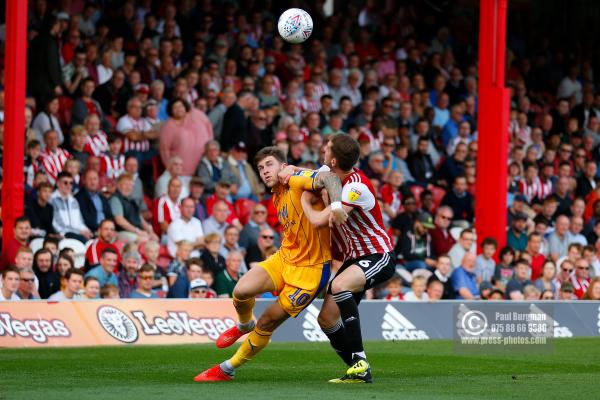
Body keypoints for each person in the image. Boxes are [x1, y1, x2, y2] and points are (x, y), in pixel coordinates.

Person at [195, 146, 343, 382]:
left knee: (267, 322)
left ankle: (227, 369)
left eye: (269, 165)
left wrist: (336, 207)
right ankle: (244, 325)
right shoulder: (276, 193)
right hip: (284, 258)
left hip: (310, 272)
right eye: (260, 168)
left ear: (283, 167)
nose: (264, 171)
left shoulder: (296, 180)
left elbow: (331, 178)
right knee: (240, 291)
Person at [297, 135, 396, 383]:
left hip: (379, 255)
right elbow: (309, 175)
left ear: (333, 159)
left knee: (339, 286)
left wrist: (304, 202)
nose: (322, 147)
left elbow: (320, 221)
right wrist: (289, 171)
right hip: (356, 258)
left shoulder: (356, 187)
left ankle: (360, 359)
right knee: (327, 319)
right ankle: (358, 369)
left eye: (326, 147)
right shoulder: (329, 172)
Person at [159, 98, 214, 178]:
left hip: (204, 166)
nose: (179, 109)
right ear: (171, 111)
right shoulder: (168, 127)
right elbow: (164, 150)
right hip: (182, 173)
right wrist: (171, 168)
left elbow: (209, 127)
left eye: (181, 106)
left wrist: (210, 147)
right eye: (175, 107)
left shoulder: (197, 114)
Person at [109, 174, 157, 243]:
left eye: (130, 185)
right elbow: (120, 220)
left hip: (134, 231)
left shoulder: (132, 201)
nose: (128, 188)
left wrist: (150, 232)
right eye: (125, 184)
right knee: (144, 240)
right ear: (118, 185)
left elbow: (140, 219)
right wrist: (137, 231)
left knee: (154, 239)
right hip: (120, 232)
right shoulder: (115, 199)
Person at [51, 171, 93, 243]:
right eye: (65, 182)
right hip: (63, 235)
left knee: (93, 239)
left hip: (77, 234)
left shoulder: (74, 201)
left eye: (71, 183)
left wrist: (87, 231)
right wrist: (79, 232)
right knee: (83, 240)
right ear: (58, 183)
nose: (68, 185)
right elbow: (56, 225)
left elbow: (80, 222)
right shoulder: (52, 200)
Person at [75, 169, 113, 233]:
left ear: (98, 181)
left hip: (107, 230)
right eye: (89, 179)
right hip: (92, 231)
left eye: (95, 179)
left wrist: (110, 228)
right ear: (84, 181)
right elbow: (86, 219)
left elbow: (109, 215)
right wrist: (101, 229)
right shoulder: (79, 197)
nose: (92, 182)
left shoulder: (102, 197)